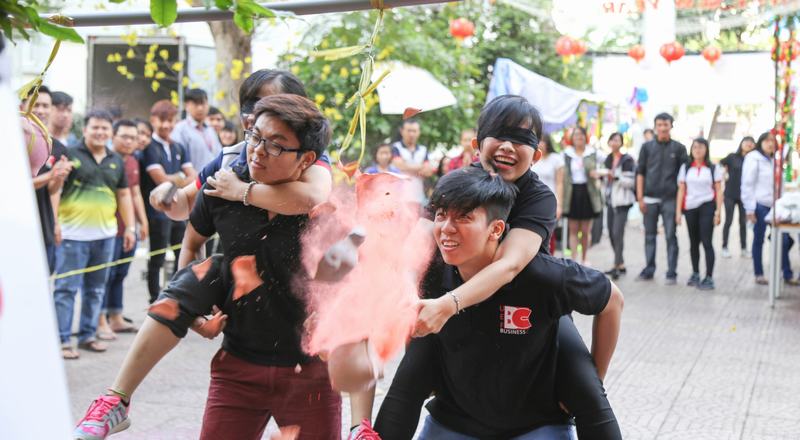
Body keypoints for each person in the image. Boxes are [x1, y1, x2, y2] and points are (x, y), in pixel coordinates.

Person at [73, 94, 339, 440]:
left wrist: (331, 313)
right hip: (239, 368)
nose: (258, 151)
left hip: (310, 371)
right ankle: (116, 400)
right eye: (255, 136)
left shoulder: (323, 206)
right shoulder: (221, 186)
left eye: (275, 145)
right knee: (211, 268)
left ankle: (360, 427)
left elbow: (350, 274)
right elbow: (190, 245)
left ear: (306, 159)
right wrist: (196, 316)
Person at [376, 95, 622, 439]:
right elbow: (415, 248)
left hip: (529, 298)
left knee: (588, 393)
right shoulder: (460, 185)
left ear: (536, 155)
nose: (507, 146)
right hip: (455, 298)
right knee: (406, 384)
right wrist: (407, 294)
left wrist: (448, 305)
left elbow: (510, 265)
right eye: (499, 134)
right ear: (477, 145)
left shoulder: (538, 198)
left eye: (520, 139)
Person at [147, 69, 332, 223]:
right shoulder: (230, 157)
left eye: (269, 107)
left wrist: (241, 191)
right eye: (249, 106)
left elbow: (313, 196)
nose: (252, 115)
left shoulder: (305, 155)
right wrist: (168, 195)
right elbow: (187, 203)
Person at [54, 110, 136, 360]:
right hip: (72, 236)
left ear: (110, 132)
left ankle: (88, 335)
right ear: (85, 130)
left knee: (96, 289)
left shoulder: (116, 160)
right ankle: (62, 340)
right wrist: (55, 223)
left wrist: (130, 227)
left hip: (105, 236)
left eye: (104, 128)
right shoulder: (70, 154)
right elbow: (56, 189)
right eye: (95, 127)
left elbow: (124, 194)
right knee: (66, 289)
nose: (100, 132)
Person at [97, 120, 149, 340]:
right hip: (107, 229)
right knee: (104, 277)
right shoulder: (106, 159)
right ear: (113, 137)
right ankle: (99, 320)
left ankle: (116, 316)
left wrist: (142, 222)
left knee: (120, 274)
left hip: (127, 229)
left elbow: (135, 193)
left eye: (133, 137)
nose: (129, 141)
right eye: (124, 136)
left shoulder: (133, 161)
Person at [140, 100, 197, 303]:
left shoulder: (178, 147)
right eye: (162, 120)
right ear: (153, 120)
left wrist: (175, 179)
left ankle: (174, 297)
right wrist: (180, 177)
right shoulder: (150, 148)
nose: (166, 125)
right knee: (157, 258)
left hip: (179, 210)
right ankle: (155, 299)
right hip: (157, 213)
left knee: (181, 254)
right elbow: (161, 181)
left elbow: (194, 177)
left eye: (170, 120)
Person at [22, 85, 72, 274]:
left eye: (45, 106)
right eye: (35, 105)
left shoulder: (58, 148)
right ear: (23, 106)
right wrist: (50, 175)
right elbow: (15, 187)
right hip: (17, 223)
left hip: (44, 224)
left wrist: (58, 177)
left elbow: (53, 190)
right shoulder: (11, 141)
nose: (41, 110)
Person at [636, 112, 688, 284]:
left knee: (670, 236)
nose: (663, 128)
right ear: (655, 127)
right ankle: (649, 269)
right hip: (649, 199)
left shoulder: (679, 149)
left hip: (670, 199)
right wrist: (640, 198)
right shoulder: (646, 147)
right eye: (659, 125)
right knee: (649, 236)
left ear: (671, 126)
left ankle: (671, 272)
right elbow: (640, 173)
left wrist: (680, 206)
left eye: (666, 125)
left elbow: (684, 178)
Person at [675, 138, 723, 290]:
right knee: (693, 242)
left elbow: (719, 190)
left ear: (706, 149)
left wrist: (718, 211)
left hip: (707, 206)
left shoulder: (713, 168)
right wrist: (678, 212)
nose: (697, 150)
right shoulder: (686, 167)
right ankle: (695, 273)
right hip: (690, 208)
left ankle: (709, 276)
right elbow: (681, 190)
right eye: (695, 147)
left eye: (701, 147)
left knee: (707, 241)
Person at [742, 132, 780, 285]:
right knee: (759, 239)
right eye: (767, 140)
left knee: (784, 239)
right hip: (759, 205)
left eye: (773, 141)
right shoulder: (753, 158)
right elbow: (747, 184)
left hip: (774, 205)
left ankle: (785, 271)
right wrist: (750, 209)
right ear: (761, 142)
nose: (770, 144)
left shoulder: (774, 160)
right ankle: (759, 273)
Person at [562, 126, 602, 265]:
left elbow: (605, 165)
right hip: (572, 193)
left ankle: (584, 258)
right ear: (571, 138)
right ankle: (574, 259)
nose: (579, 137)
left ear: (586, 137)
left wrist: (597, 174)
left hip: (588, 192)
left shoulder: (592, 153)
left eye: (581, 134)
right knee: (573, 229)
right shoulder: (567, 154)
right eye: (576, 135)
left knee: (585, 231)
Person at [603, 132, 636, 280]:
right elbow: (605, 179)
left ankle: (616, 266)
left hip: (622, 202)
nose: (614, 142)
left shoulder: (627, 160)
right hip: (610, 201)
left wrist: (615, 177)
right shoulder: (608, 159)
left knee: (617, 233)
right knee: (611, 233)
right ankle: (621, 263)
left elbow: (630, 182)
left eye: (617, 140)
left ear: (621, 143)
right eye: (612, 139)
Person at [720, 136, 755, 258]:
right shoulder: (732, 157)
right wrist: (724, 174)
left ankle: (744, 248)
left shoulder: (753, 159)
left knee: (743, 222)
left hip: (744, 196)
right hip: (730, 194)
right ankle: (724, 247)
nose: (749, 144)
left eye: (751, 142)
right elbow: (720, 164)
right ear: (741, 143)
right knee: (728, 221)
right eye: (746, 142)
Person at [171, 88, 222, 170]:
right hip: (193, 178)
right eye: (196, 104)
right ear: (186, 106)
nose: (200, 108)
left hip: (214, 177)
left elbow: (219, 155)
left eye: (203, 103)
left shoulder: (210, 129)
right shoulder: (180, 129)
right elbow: (178, 160)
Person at [531, 133, 564, 254]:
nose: (540, 144)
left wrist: (559, 204)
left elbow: (560, 183)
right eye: (538, 141)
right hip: (533, 200)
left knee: (550, 232)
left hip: (550, 200)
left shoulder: (556, 159)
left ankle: (549, 257)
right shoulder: (532, 157)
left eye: (543, 141)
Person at [391, 119, 434, 204]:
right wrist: (421, 166)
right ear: (402, 131)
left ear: (419, 132)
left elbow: (428, 172)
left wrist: (406, 166)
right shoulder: (395, 147)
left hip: (418, 195)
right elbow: (399, 166)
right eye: (409, 131)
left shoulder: (423, 149)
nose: (411, 134)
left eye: (414, 131)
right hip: (398, 195)